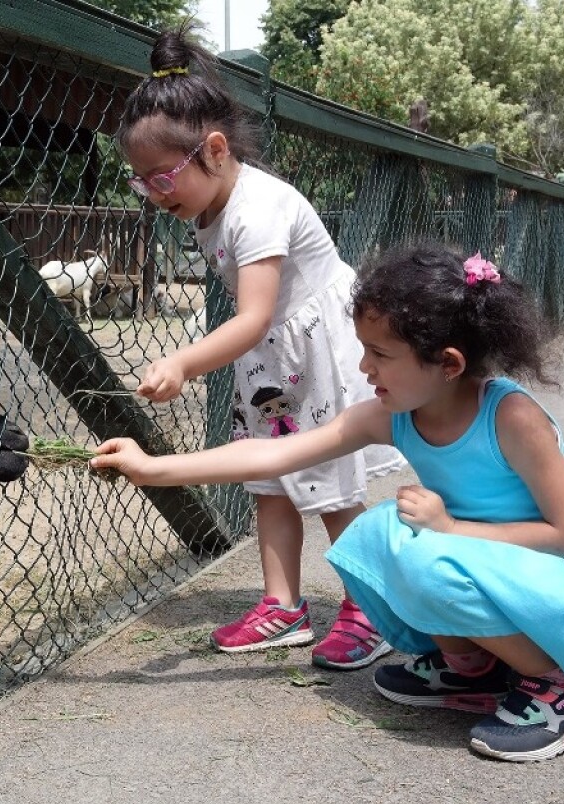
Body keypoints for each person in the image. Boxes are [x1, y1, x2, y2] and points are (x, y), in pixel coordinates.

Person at [91, 242, 564, 761]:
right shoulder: (394, 414)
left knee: (426, 554)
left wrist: (451, 528)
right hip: (487, 562)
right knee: (378, 535)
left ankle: (562, 686)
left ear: (449, 364)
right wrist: (153, 468)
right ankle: (474, 670)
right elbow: (273, 455)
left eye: (380, 354)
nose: (364, 369)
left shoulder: (511, 417)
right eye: (363, 350)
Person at [113, 24, 405, 668]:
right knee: (267, 480)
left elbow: (253, 316)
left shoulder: (258, 209)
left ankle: (371, 607)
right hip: (273, 357)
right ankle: (283, 606)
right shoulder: (206, 208)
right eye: (142, 183)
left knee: (329, 486)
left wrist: (184, 362)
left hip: (311, 346)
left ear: (214, 150)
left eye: (160, 180)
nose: (154, 196)